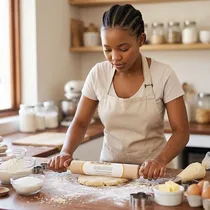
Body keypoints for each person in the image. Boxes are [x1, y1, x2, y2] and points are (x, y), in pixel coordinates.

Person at [48, 4, 189, 180]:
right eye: (107, 49)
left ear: (141, 39)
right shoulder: (98, 73)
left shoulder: (164, 74)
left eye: (123, 49)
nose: (115, 57)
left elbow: (181, 131)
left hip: (154, 173)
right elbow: (80, 122)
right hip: (109, 171)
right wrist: (66, 151)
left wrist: (159, 161)